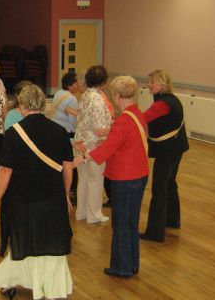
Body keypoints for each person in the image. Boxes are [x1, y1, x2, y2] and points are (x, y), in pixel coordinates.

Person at [0, 84, 74, 300]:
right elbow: (68, 167)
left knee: (22, 242)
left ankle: (12, 281)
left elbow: (6, 169)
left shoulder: (13, 134)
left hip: (22, 199)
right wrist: (65, 194)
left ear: (22, 106)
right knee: (52, 245)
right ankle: (53, 289)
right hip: (52, 197)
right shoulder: (60, 131)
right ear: (42, 104)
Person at [74, 76, 148, 278]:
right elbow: (123, 138)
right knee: (131, 222)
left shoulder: (124, 119)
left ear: (116, 95)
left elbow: (107, 148)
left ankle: (121, 267)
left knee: (122, 223)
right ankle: (131, 263)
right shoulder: (136, 114)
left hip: (125, 177)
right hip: (139, 174)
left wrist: (83, 157)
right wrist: (110, 132)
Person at [140, 70, 189, 242]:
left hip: (168, 150)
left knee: (159, 188)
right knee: (169, 183)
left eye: (151, 82)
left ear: (162, 84)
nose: (149, 85)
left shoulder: (163, 103)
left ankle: (155, 232)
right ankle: (172, 220)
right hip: (176, 147)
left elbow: (143, 118)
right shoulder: (170, 100)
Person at [73, 65, 112, 224]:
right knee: (95, 180)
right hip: (92, 145)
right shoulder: (97, 99)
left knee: (83, 179)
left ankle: (81, 212)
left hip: (80, 141)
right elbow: (99, 129)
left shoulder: (85, 96)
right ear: (103, 82)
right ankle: (94, 214)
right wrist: (111, 128)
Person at [51, 72, 80, 204]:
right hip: (68, 133)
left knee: (58, 160)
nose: (78, 85)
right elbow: (73, 120)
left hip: (56, 131)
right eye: (76, 83)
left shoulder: (58, 93)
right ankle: (72, 191)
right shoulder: (72, 99)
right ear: (69, 85)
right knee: (70, 161)